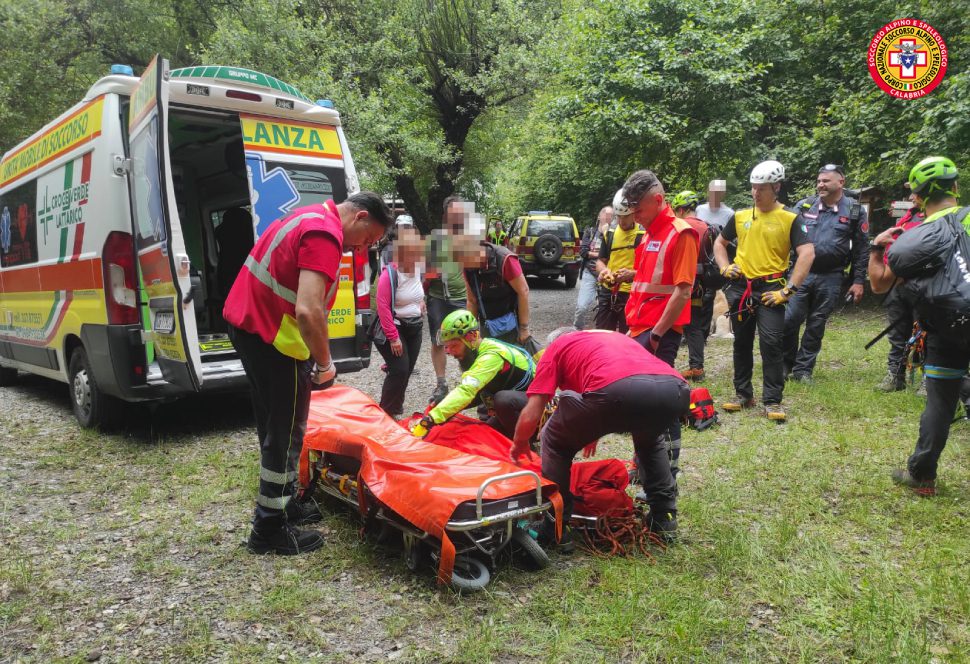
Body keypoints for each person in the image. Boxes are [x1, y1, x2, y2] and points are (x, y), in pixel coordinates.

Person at [224, 192, 392, 555]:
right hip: (274, 337)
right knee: (285, 433)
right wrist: (326, 364)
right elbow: (308, 309)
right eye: (369, 238)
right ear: (360, 216)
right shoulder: (325, 234)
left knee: (273, 425)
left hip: (252, 327)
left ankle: (284, 502)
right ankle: (268, 530)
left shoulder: (308, 217)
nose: (363, 248)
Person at [510, 328, 689, 542]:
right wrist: (590, 431)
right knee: (650, 440)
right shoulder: (614, 339)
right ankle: (664, 517)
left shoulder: (557, 347)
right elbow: (623, 379)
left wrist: (520, 442)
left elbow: (535, 407)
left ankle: (556, 525)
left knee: (554, 440)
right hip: (675, 390)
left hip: (618, 392)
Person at [868, 156, 966, 496]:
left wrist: (877, 247)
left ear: (918, 199)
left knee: (940, 401)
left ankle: (922, 477)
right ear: (955, 187)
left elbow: (880, 285)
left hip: (945, 330)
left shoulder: (913, 238)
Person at [714, 160, 815, 422]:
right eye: (753, 188)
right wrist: (725, 267)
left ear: (776, 187)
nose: (756, 193)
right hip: (742, 288)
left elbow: (807, 253)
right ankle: (743, 394)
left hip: (772, 288)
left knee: (771, 343)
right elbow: (719, 243)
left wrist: (789, 290)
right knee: (742, 342)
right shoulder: (740, 216)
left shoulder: (790, 218)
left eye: (762, 188)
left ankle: (772, 400)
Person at [621, 173, 699, 483]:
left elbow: (682, 291)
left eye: (638, 210)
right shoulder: (649, 234)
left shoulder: (681, 234)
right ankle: (643, 463)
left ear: (657, 201)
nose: (635, 217)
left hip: (659, 334)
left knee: (660, 402)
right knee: (641, 402)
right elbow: (651, 282)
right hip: (638, 329)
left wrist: (655, 335)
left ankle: (666, 470)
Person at [783, 164, 870, 383]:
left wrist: (858, 281)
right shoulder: (805, 205)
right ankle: (786, 364)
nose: (820, 184)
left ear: (841, 182)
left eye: (826, 181)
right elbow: (784, 237)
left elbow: (861, 249)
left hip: (831, 275)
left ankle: (803, 370)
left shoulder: (854, 210)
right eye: (819, 181)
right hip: (801, 273)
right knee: (790, 319)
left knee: (817, 323)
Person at [410, 310, 535, 439]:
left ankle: (526, 443)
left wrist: (431, 419)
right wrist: (443, 405)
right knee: (486, 436)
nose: (449, 352)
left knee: (503, 399)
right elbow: (473, 394)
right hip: (518, 404)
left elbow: (467, 391)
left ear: (472, 336)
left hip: (537, 407)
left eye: (453, 345)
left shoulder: (491, 356)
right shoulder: (476, 352)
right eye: (446, 347)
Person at [374, 226, 425, 416]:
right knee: (400, 370)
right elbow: (382, 307)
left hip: (415, 327)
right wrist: (393, 338)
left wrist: (421, 301)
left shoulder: (418, 270)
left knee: (407, 370)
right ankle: (385, 412)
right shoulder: (390, 274)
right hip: (395, 329)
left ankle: (395, 407)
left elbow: (419, 290)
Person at [425, 196, 472, 404]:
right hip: (438, 296)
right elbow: (426, 271)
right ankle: (441, 382)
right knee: (438, 340)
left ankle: (470, 380)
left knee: (468, 340)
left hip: (462, 297)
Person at [877, 190, 924, 392]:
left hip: (924, 285)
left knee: (925, 333)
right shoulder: (908, 217)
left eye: (916, 194)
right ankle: (895, 375)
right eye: (911, 193)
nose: (912, 197)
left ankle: (927, 380)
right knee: (898, 332)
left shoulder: (939, 220)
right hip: (898, 282)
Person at [671, 190, 718, 381]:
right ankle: (697, 368)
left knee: (673, 324)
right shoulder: (706, 227)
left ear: (681, 209)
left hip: (680, 283)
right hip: (701, 286)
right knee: (695, 326)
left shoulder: (679, 226)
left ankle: (665, 365)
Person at [594, 190, 645, 333]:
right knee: (602, 335)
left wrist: (632, 274)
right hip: (608, 291)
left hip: (632, 294)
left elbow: (652, 269)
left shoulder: (644, 234)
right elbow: (600, 261)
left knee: (627, 337)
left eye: (626, 217)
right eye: (619, 217)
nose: (622, 221)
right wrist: (604, 271)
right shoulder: (609, 233)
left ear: (634, 213)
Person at [464, 240, 532, 345]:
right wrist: (471, 332)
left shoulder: (504, 258)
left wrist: (524, 328)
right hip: (486, 323)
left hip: (511, 322)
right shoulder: (467, 265)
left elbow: (523, 291)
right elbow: (472, 300)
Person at [573, 205, 613, 330]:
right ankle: (577, 329)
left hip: (607, 274)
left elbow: (614, 253)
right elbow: (584, 251)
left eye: (610, 215)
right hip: (589, 272)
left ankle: (600, 333)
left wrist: (607, 233)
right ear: (599, 216)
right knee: (582, 306)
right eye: (605, 214)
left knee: (605, 307)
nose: (607, 217)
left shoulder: (614, 234)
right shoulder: (590, 232)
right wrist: (602, 255)